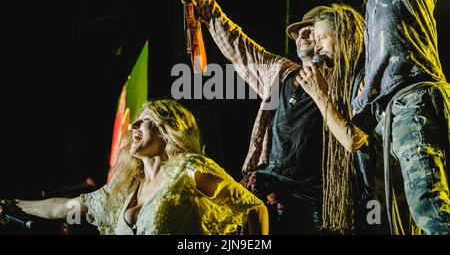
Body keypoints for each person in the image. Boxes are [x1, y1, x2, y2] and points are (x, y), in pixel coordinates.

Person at [179, 0, 366, 234]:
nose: (302, 36)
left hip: (314, 201)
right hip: (270, 187)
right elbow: (238, 45)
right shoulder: (280, 72)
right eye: (299, 33)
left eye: (312, 31)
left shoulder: (347, 83)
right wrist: (202, 3)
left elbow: (355, 138)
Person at [1, 100, 268, 235]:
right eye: (134, 123)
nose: (133, 127)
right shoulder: (124, 189)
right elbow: (65, 207)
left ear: (167, 130)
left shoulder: (189, 168)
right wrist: (13, 204)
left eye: (143, 122)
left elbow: (255, 208)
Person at [348, 0, 450, 234]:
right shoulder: (374, 6)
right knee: (410, 219)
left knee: (428, 208)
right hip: (396, 111)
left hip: (412, 100)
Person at [294, 4, 373, 233]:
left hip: (383, 193)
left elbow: (352, 140)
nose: (317, 47)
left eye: (322, 38)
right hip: (364, 192)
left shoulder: (367, 76)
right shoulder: (343, 80)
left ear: (344, 36)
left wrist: (319, 95)